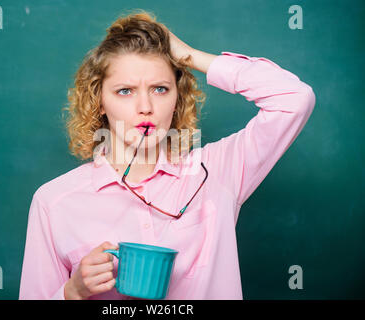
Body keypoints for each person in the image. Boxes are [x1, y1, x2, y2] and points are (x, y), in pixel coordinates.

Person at [19, 10, 315, 300]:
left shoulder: (215, 172)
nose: (145, 106)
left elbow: (294, 99)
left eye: (160, 89)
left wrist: (188, 55)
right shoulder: (53, 202)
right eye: (125, 91)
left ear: (177, 98)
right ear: (99, 102)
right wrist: (73, 293)